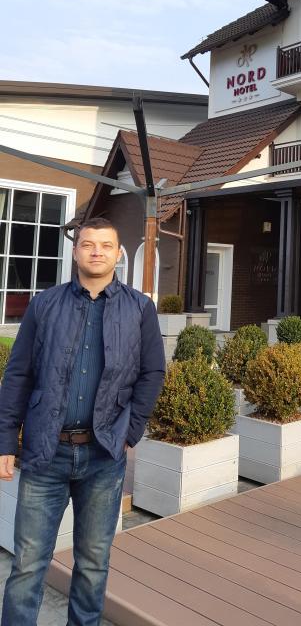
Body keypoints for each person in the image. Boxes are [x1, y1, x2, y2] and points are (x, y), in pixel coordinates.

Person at [0, 217, 165, 626]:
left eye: (105, 245)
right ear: (75, 252)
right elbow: (18, 374)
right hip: (45, 454)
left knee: (93, 563)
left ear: (117, 253)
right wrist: (5, 440)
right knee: (28, 564)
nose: (96, 252)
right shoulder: (45, 305)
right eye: (88, 244)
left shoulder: (139, 309)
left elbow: (152, 373)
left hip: (103, 457)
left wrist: (130, 431)